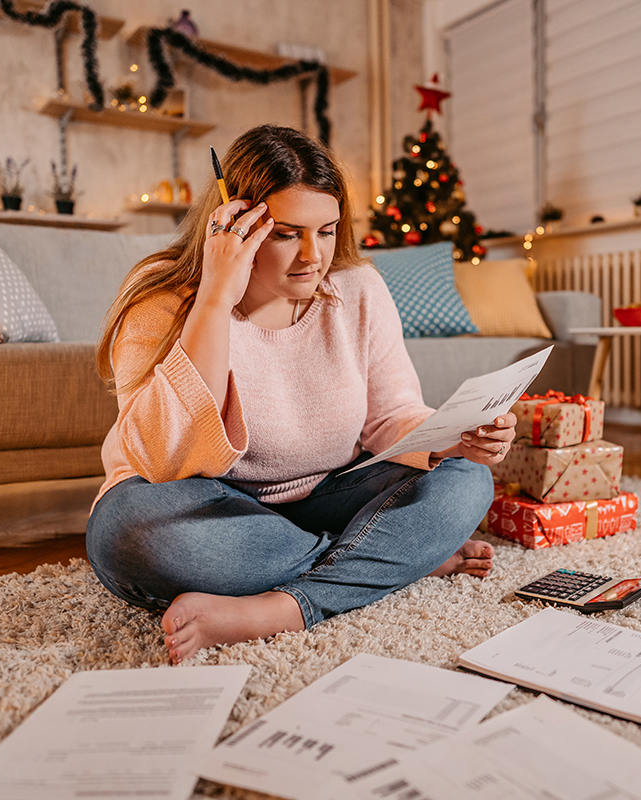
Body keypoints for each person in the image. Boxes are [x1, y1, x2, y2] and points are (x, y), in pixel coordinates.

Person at [87, 125, 515, 664]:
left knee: (466, 478)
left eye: (328, 231)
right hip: (212, 504)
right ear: (235, 225)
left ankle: (284, 607)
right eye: (287, 233)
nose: (313, 256)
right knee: (129, 532)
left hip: (330, 493)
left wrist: (456, 437)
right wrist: (217, 298)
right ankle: (395, 557)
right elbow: (159, 457)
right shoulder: (162, 297)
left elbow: (393, 417)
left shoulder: (359, 289)